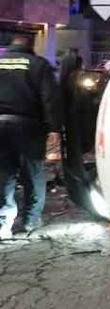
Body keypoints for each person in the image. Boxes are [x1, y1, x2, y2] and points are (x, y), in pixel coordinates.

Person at [0, 35, 61, 239]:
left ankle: (3, 223)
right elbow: (49, 98)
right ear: (32, 47)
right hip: (28, 127)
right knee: (33, 174)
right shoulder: (39, 65)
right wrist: (54, 128)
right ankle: (30, 220)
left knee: (4, 175)